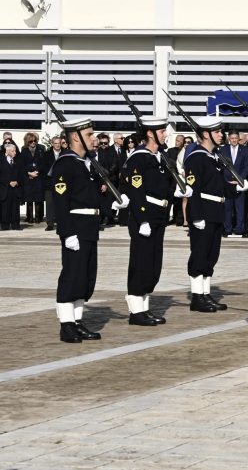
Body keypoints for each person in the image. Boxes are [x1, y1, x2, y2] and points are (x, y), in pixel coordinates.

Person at [51, 117, 129, 343]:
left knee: (85, 278)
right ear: (75, 137)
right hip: (75, 228)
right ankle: (66, 325)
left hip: (89, 228)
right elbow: (61, 202)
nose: (94, 140)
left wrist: (112, 206)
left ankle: (77, 321)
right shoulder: (65, 163)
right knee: (71, 277)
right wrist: (67, 234)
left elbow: (93, 198)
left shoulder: (86, 163)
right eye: (89, 135)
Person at [124, 117, 186, 326]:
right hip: (146, 216)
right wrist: (142, 219)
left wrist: (175, 192)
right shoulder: (138, 158)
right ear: (150, 134)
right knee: (141, 263)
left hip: (159, 215)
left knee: (152, 264)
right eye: (162, 131)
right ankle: (136, 312)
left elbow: (165, 184)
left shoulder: (160, 158)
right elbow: (135, 189)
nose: (165, 135)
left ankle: (144, 308)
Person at [183, 117, 237, 313]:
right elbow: (193, 189)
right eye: (216, 132)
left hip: (215, 211)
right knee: (199, 254)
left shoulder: (214, 157)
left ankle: (205, 294)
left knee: (211, 255)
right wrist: (195, 216)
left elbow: (220, 186)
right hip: (203, 212)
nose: (220, 135)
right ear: (205, 134)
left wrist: (238, 188)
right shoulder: (196, 158)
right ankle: (197, 297)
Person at [220, 130, 248, 237]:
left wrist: (239, 179)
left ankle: (239, 229)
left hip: (240, 183)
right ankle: (227, 228)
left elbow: (247, 167)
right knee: (227, 207)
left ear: (239, 139)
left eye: (236, 138)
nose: (234, 140)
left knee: (240, 207)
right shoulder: (222, 150)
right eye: (232, 138)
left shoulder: (246, 150)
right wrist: (227, 180)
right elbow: (221, 167)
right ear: (229, 138)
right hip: (227, 183)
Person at [41, 135, 65, 232]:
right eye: (55, 143)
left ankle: (61, 223)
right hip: (49, 183)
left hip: (62, 183)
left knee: (61, 204)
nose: (58, 145)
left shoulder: (65, 153)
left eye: (59, 143)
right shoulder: (46, 154)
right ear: (52, 144)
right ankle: (50, 223)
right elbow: (43, 168)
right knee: (50, 203)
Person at [21, 132, 45, 224]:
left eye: (35, 141)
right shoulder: (24, 150)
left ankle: (38, 218)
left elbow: (43, 163)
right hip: (28, 177)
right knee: (29, 198)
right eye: (31, 141)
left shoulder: (40, 149)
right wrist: (29, 173)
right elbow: (22, 164)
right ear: (27, 141)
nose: (33, 142)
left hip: (38, 177)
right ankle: (30, 217)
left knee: (38, 198)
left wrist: (37, 172)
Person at [0, 143, 25, 230]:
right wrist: (8, 182)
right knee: (5, 208)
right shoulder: (1, 161)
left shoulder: (18, 161)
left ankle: (16, 224)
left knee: (15, 208)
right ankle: (5, 225)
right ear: (7, 151)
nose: (15, 153)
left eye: (15, 151)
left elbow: (22, 175)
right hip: (5, 189)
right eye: (13, 151)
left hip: (16, 189)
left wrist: (17, 182)